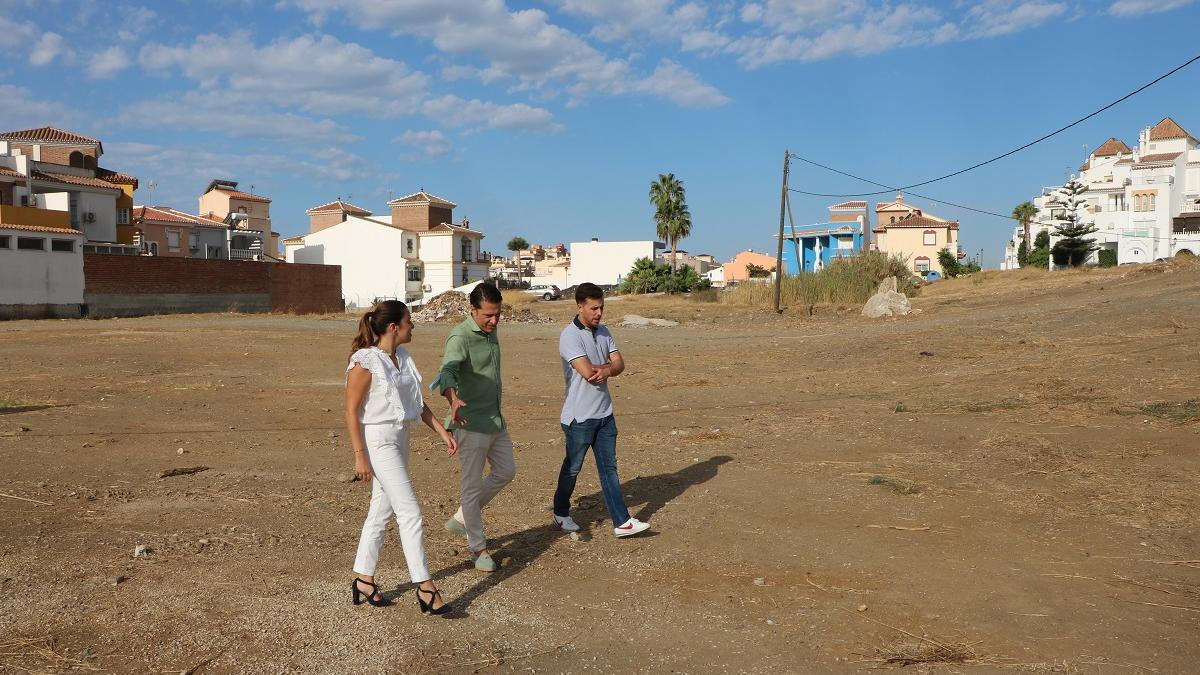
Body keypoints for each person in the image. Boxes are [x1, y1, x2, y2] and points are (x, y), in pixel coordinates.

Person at [345, 300, 455, 615]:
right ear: (394, 327)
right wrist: (360, 455)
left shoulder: (403, 357)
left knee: (380, 512)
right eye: (409, 321)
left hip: (401, 438)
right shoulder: (365, 361)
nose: (413, 326)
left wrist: (442, 432)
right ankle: (425, 586)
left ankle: (364, 579)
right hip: (379, 441)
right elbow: (351, 410)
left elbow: (416, 404)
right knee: (410, 512)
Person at [552, 282, 650, 538]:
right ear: (580, 306)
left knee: (609, 470)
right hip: (579, 418)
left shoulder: (604, 331)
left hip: (605, 415)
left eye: (601, 308)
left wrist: (605, 369)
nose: (599, 313)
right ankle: (560, 512)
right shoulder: (569, 336)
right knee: (572, 468)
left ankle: (622, 522)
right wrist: (608, 368)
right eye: (594, 308)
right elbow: (588, 373)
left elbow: (619, 364)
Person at [433, 282, 515, 572]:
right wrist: (452, 397)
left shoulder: (491, 330)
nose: (494, 321)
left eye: (498, 315)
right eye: (488, 315)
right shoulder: (460, 336)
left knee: (506, 471)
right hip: (469, 422)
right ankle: (478, 548)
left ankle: (461, 519)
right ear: (472, 310)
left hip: (494, 419)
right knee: (470, 488)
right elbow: (447, 371)